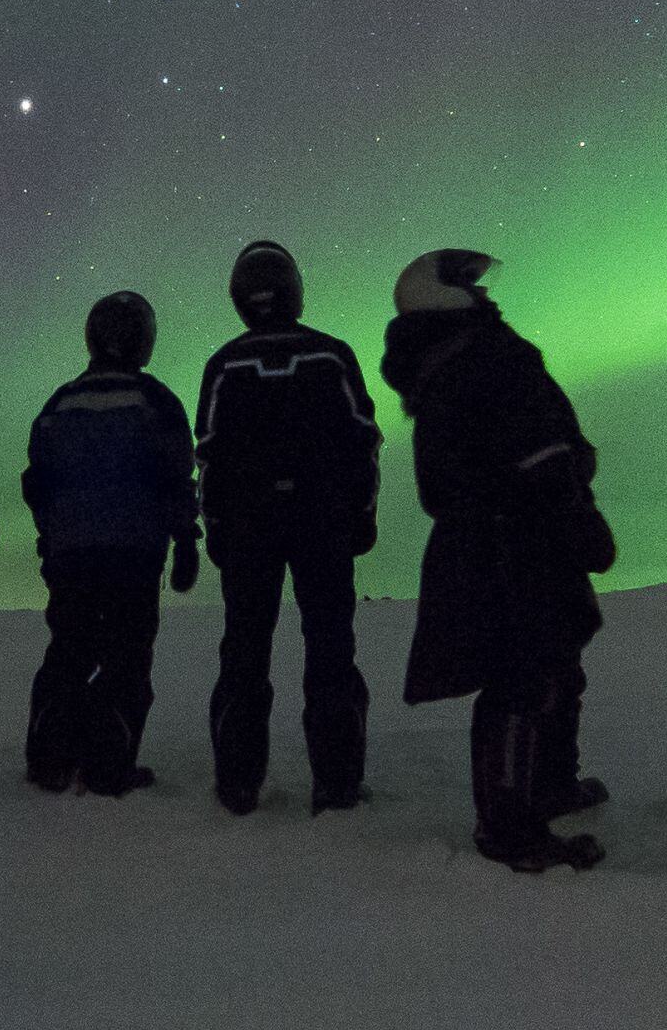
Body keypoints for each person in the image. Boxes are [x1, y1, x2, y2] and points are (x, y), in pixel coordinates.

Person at [380, 249, 617, 872]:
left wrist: (566, 487)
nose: (483, 294)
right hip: (513, 535)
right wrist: (566, 500)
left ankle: (548, 786)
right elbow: (527, 440)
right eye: (468, 285)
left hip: (513, 531)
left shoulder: (460, 356)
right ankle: (508, 824)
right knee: (525, 675)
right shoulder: (479, 357)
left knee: (553, 663)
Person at [195, 239, 383, 815]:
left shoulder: (224, 363)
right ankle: (336, 781)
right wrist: (362, 513)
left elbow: (209, 454)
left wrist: (220, 525)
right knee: (330, 647)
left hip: (251, 529)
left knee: (244, 650)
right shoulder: (331, 354)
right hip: (323, 524)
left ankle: (238, 782)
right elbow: (363, 440)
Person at [19, 290, 200, 796]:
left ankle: (48, 758)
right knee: (126, 653)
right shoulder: (155, 399)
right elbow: (175, 475)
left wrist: (49, 537)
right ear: (143, 340)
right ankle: (107, 763)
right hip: (134, 552)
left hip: (70, 552)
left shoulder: (60, 401)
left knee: (69, 649)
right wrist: (186, 538)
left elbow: (37, 480)